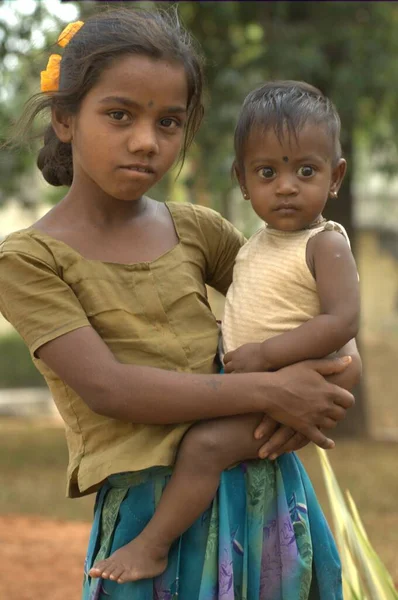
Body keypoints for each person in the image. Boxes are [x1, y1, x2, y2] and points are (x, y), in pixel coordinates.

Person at [0, 9, 360, 600]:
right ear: (65, 118)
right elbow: (111, 389)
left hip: (264, 487)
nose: (147, 141)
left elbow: (301, 299)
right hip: (150, 513)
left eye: (169, 122)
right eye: (119, 115)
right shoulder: (31, 259)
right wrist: (273, 391)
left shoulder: (198, 230)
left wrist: (327, 384)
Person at [88, 78, 361, 591]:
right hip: (261, 388)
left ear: (336, 176)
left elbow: (341, 321)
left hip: (283, 384)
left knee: (205, 446)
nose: (286, 186)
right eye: (267, 172)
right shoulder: (257, 243)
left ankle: (152, 544)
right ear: (242, 180)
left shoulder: (325, 245)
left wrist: (266, 353)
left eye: (306, 171)